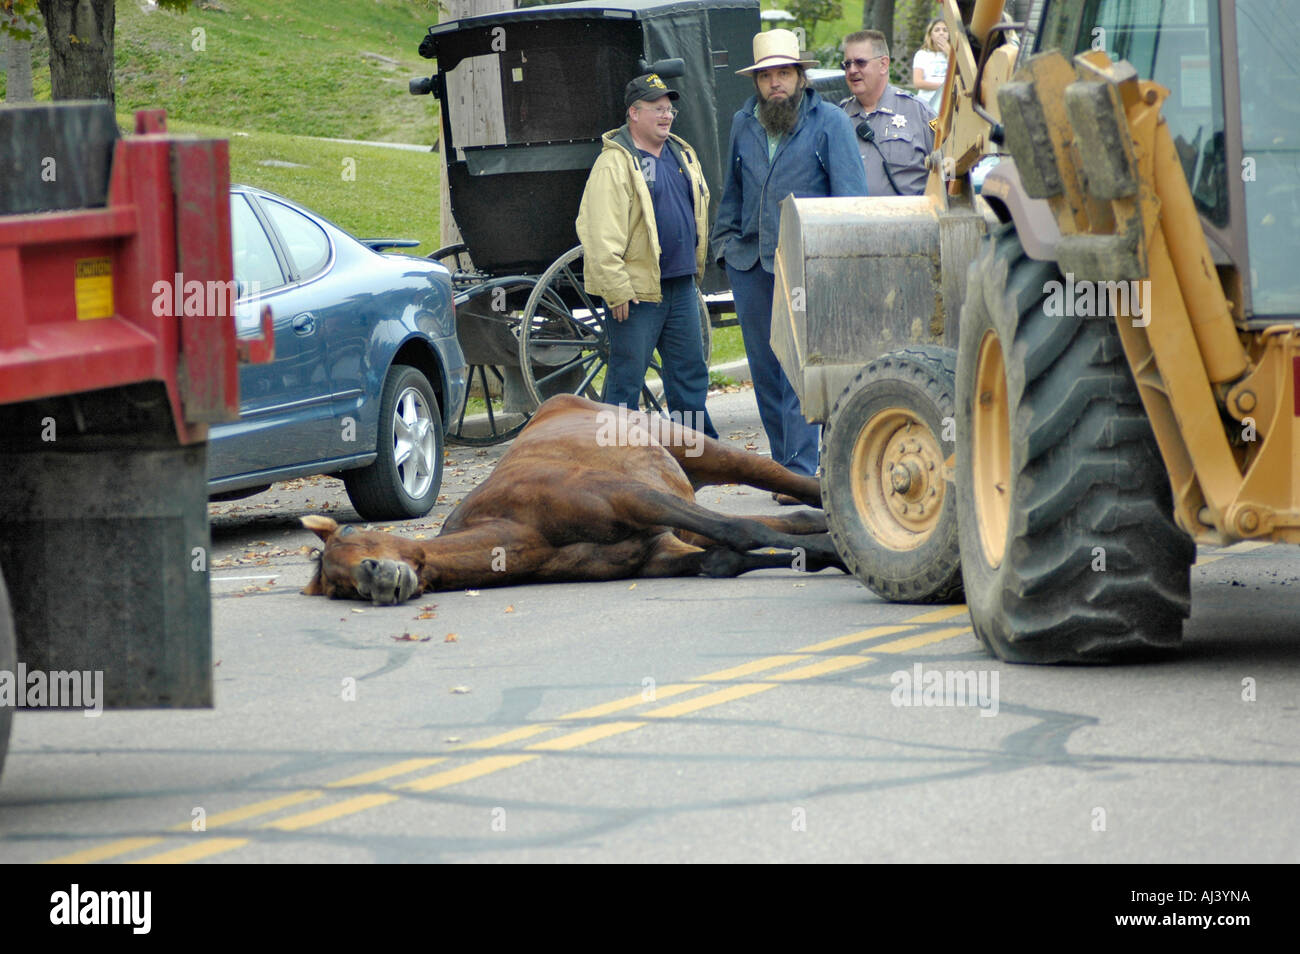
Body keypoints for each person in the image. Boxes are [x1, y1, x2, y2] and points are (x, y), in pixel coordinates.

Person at [711, 29, 867, 485]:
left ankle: (799, 472)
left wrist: (838, 266)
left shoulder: (830, 123)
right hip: (748, 264)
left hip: (805, 263)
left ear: (800, 75)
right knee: (764, 369)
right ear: (756, 81)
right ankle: (785, 470)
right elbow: (731, 193)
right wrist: (724, 246)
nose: (775, 82)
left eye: (783, 72)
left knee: (796, 371)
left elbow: (851, 199)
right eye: (766, 75)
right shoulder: (744, 121)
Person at [576, 72, 718, 439]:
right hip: (637, 294)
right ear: (633, 114)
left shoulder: (681, 153)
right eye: (657, 108)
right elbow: (598, 230)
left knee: (690, 377)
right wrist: (616, 287)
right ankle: (609, 459)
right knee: (626, 379)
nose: (666, 115)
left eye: (669, 109)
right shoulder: (614, 164)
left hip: (682, 286)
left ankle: (698, 454)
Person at [839, 29, 936, 197]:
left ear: (883, 64)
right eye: (847, 64)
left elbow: (950, 168)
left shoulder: (919, 112)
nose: (852, 70)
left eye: (860, 62)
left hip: (908, 220)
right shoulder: (839, 117)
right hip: (850, 220)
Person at [912, 18, 950, 113]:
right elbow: (917, 82)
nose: (941, 33)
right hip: (926, 104)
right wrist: (944, 87)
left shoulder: (955, 55)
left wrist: (950, 54)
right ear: (931, 35)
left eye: (945, 30)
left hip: (948, 105)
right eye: (937, 30)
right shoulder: (922, 54)